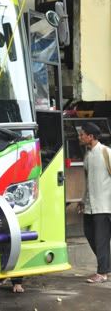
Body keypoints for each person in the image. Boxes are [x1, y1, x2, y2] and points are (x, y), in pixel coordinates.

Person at [78, 121, 111, 283]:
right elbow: (88, 181)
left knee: (101, 239)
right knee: (89, 234)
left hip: (104, 206)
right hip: (90, 206)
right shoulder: (88, 155)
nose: (80, 137)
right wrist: (83, 200)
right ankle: (106, 266)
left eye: (82, 134)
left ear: (90, 136)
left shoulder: (106, 152)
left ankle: (102, 273)